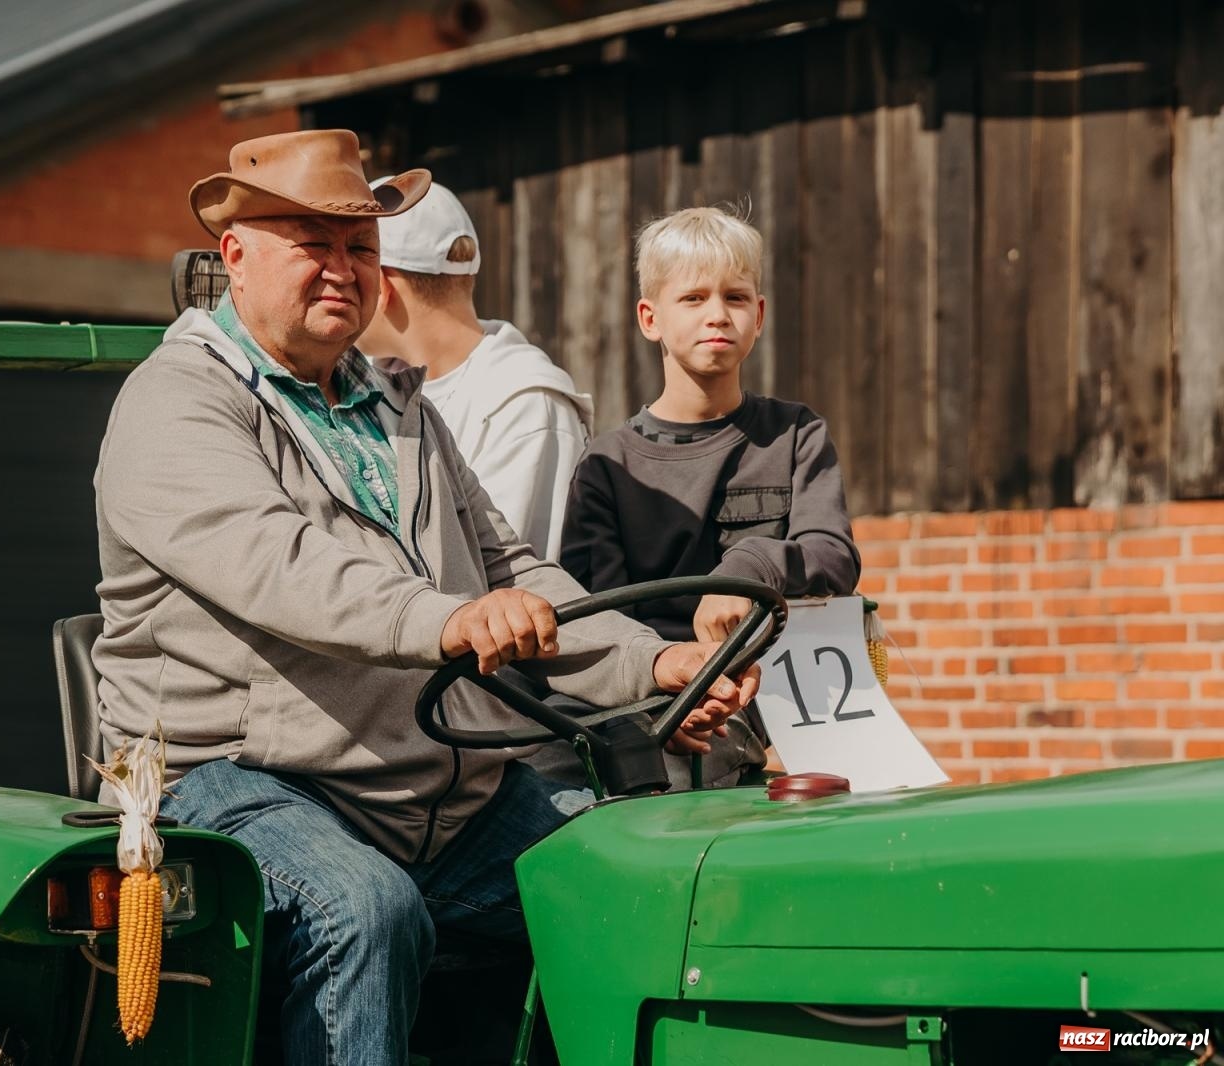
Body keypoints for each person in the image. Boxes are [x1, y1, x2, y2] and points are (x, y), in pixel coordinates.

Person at [93, 130, 760, 1066]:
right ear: (235, 256)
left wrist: (652, 664)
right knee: (362, 910)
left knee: (628, 877)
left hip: (432, 789)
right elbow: (282, 567)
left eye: (360, 248)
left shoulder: (398, 405)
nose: (341, 269)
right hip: (242, 780)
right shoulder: (178, 402)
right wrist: (447, 618)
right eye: (311, 244)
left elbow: (514, 568)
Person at [560, 205, 860, 789]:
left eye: (736, 297)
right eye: (693, 298)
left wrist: (750, 567)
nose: (717, 315)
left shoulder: (796, 433)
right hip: (656, 702)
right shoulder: (606, 465)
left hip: (778, 694)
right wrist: (659, 699)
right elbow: (601, 614)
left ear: (761, 314)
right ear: (650, 318)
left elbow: (835, 556)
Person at [356, 181, 592, 560]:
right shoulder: (367, 385)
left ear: (381, 286)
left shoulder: (525, 406)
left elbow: (493, 571)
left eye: (353, 265)